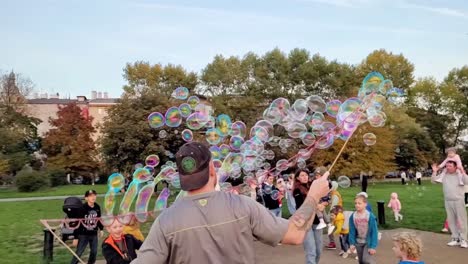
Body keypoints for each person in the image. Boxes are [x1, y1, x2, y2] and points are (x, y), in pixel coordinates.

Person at [131, 142, 331, 263]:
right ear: (211, 169)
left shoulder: (166, 221)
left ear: (181, 176)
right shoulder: (243, 205)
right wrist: (313, 196)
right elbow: (295, 235)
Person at [293, 168, 329, 264]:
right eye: (302, 175)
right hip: (306, 223)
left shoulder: (313, 186)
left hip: (317, 222)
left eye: (306, 175)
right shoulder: (297, 190)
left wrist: (323, 204)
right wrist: (316, 204)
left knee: (318, 251)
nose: (305, 177)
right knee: (311, 251)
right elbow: (302, 206)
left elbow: (324, 198)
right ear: (297, 178)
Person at [431, 161, 468, 248]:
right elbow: (433, 181)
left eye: (450, 166)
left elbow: (467, 181)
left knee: (462, 221)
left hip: (458, 200)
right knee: (451, 221)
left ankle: (464, 240)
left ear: (455, 167)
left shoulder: (459, 175)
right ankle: (455, 238)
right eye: (447, 166)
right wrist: (434, 171)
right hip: (448, 201)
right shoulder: (444, 175)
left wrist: (462, 171)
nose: (448, 167)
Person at [71, 190, 104, 264]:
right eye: (90, 196)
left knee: (94, 252)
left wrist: (101, 229)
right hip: (83, 234)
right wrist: (76, 237)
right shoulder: (82, 208)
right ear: (86, 198)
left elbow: (98, 219)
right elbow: (77, 223)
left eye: (94, 195)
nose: (93, 197)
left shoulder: (97, 207)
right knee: (79, 252)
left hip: (93, 233)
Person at [349, 193, 379, 264]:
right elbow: (352, 231)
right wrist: (352, 243)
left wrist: (373, 246)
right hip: (358, 241)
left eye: (359, 203)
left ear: (365, 204)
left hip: (368, 242)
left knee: (366, 260)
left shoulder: (370, 216)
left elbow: (374, 231)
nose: (357, 205)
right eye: (355, 203)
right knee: (361, 261)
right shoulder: (353, 216)